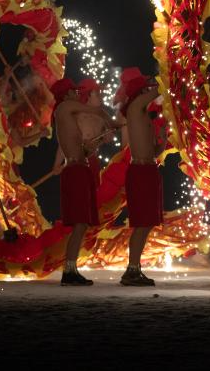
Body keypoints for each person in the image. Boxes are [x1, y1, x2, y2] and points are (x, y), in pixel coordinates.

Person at [51, 78, 122, 285]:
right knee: (80, 222)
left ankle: (71, 269)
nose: (77, 94)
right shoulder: (64, 107)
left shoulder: (68, 114)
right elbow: (98, 112)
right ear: (66, 95)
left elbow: (84, 149)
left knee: (82, 223)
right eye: (73, 91)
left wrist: (100, 138)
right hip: (75, 170)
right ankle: (69, 271)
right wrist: (115, 123)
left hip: (78, 168)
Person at [117, 69, 162, 287]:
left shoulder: (143, 113)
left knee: (148, 222)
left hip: (149, 169)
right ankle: (131, 270)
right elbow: (160, 90)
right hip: (139, 171)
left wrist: (161, 141)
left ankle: (134, 268)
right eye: (146, 86)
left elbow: (153, 151)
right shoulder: (134, 108)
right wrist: (164, 76)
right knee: (142, 223)